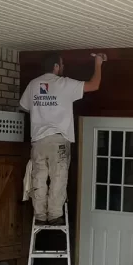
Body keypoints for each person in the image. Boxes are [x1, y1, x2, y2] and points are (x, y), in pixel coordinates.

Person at [20, 52, 106, 225]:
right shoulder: (63, 83)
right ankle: (54, 215)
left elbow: (24, 107)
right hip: (58, 140)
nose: (64, 67)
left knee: (39, 178)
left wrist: (42, 111)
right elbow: (94, 85)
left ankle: (39, 215)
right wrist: (98, 63)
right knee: (58, 178)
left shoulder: (33, 84)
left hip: (38, 140)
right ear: (56, 67)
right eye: (62, 65)